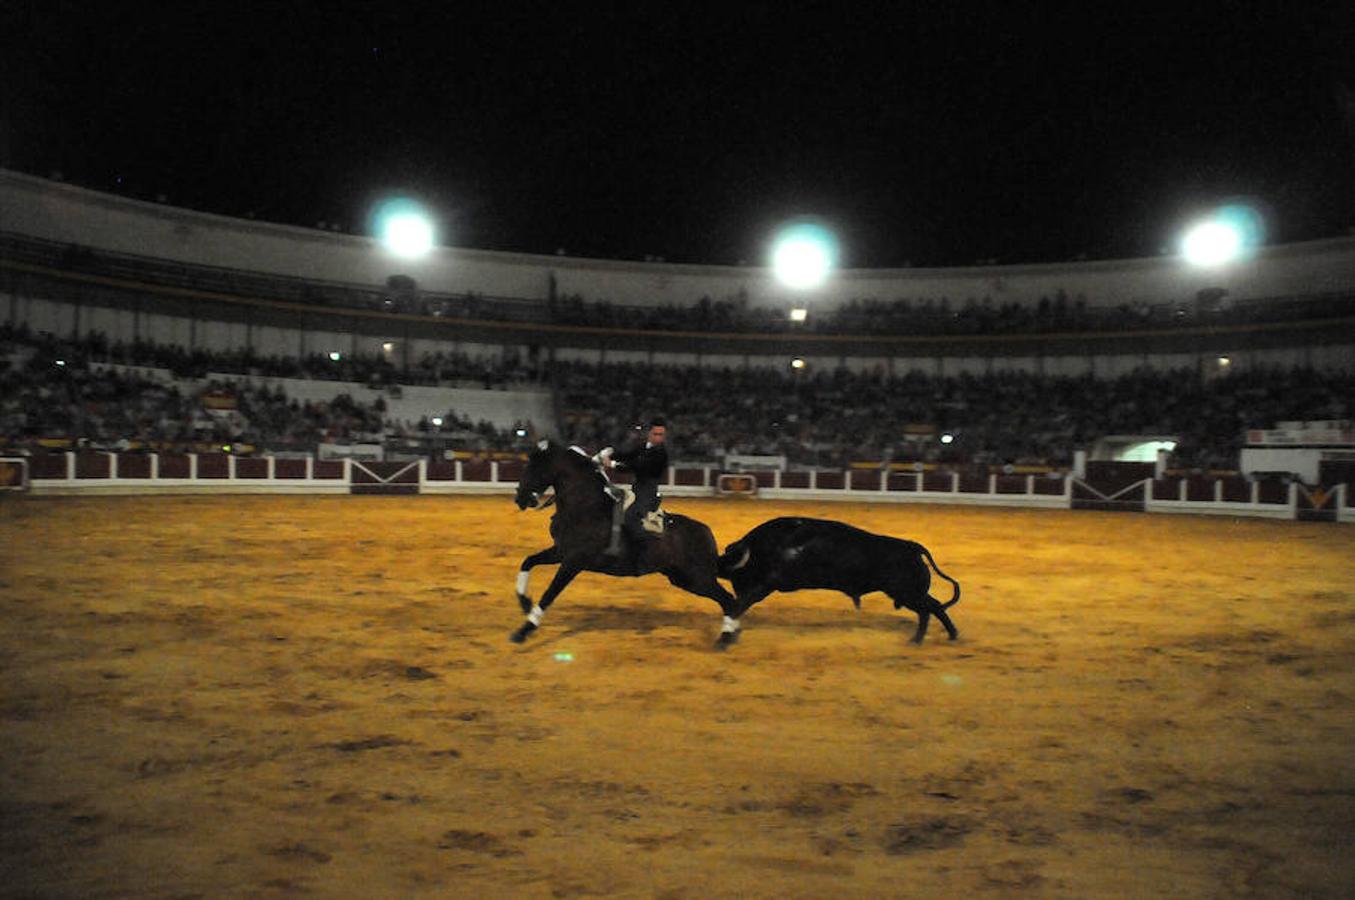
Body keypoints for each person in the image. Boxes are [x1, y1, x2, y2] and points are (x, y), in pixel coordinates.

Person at [595, 417, 669, 555]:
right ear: (649, 433)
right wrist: (611, 453)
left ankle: (643, 551)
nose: (659, 438)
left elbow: (639, 467)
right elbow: (627, 455)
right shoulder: (643, 447)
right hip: (638, 488)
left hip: (648, 491)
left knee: (631, 517)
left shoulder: (661, 453)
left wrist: (612, 465)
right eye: (656, 434)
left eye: (661, 435)